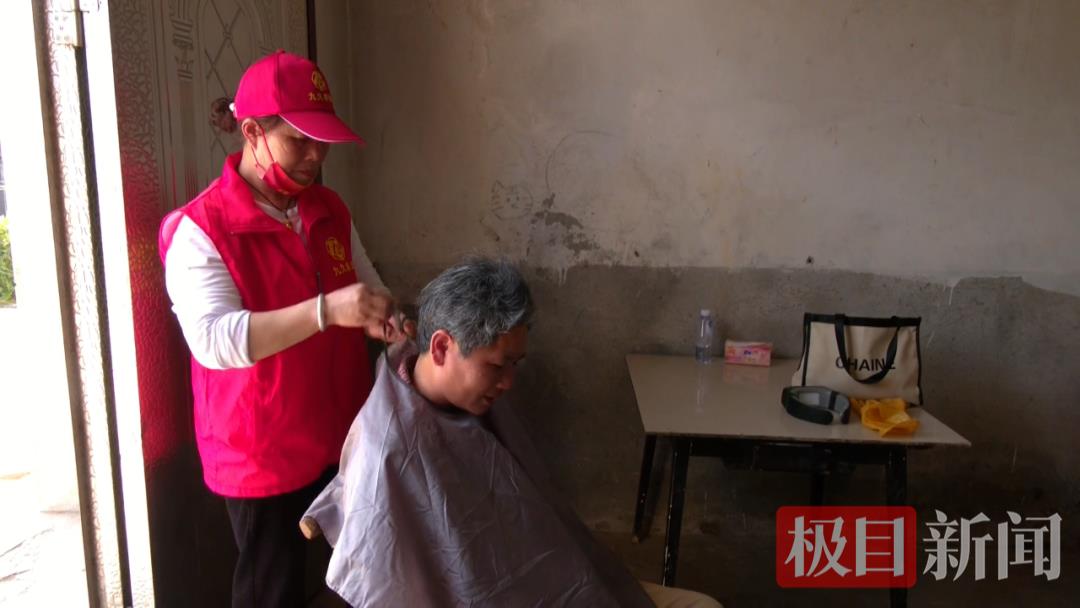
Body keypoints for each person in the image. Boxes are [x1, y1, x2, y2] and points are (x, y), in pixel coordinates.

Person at [302, 257, 722, 607]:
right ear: (442, 347)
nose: (508, 383)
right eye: (496, 365)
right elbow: (390, 583)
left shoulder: (455, 389)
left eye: (515, 365)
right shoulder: (389, 449)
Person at [158, 50, 408, 608]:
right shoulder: (200, 228)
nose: (316, 156)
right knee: (272, 592)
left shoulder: (328, 210)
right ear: (252, 132)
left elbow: (367, 286)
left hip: (339, 437)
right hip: (262, 453)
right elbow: (215, 341)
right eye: (300, 141)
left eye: (324, 142)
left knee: (355, 579)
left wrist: (385, 318)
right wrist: (326, 311)